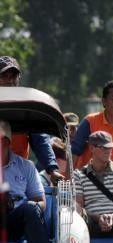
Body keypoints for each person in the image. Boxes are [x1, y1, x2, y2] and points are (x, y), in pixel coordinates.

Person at [0, 55, 64, 185]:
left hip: (19, 174)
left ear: (19, 78)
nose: (9, 80)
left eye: (13, 76)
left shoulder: (27, 106)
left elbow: (41, 141)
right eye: (4, 76)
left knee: (35, 204)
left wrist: (52, 169)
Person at [0, 120, 51, 243]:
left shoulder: (26, 166)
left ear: (6, 142)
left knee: (30, 207)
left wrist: (26, 205)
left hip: (16, 220)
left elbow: (41, 202)